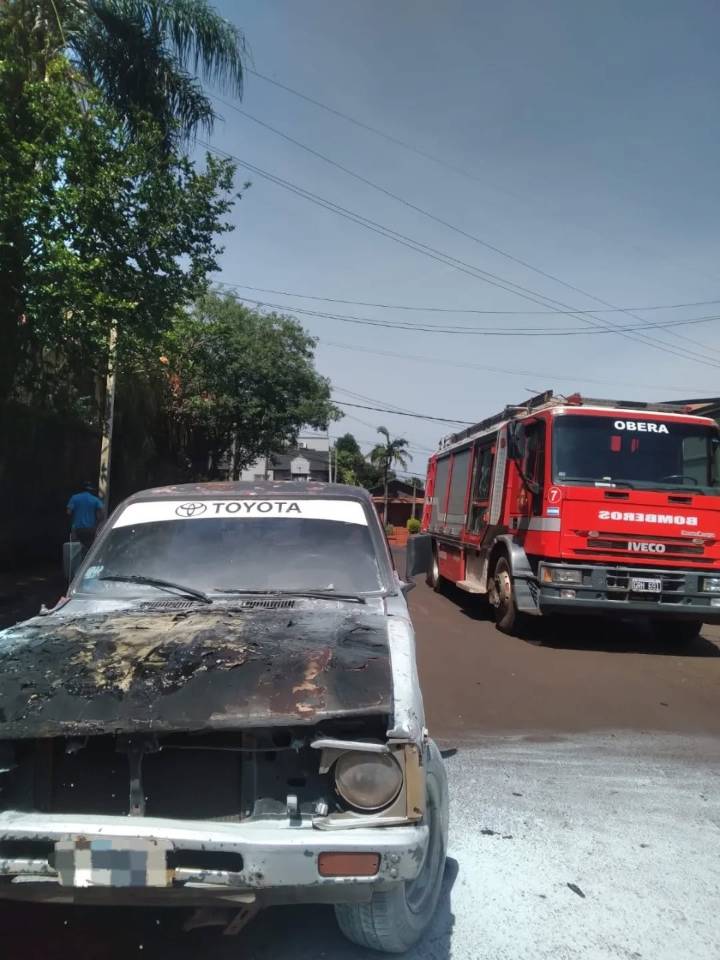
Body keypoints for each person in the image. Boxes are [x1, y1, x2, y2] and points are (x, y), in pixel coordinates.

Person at [67, 482, 104, 549]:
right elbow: (101, 514)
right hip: (91, 529)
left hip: (77, 529)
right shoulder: (95, 499)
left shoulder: (74, 498)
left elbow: (69, 512)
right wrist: (97, 524)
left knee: (75, 549)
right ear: (91, 490)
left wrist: (73, 523)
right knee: (90, 549)